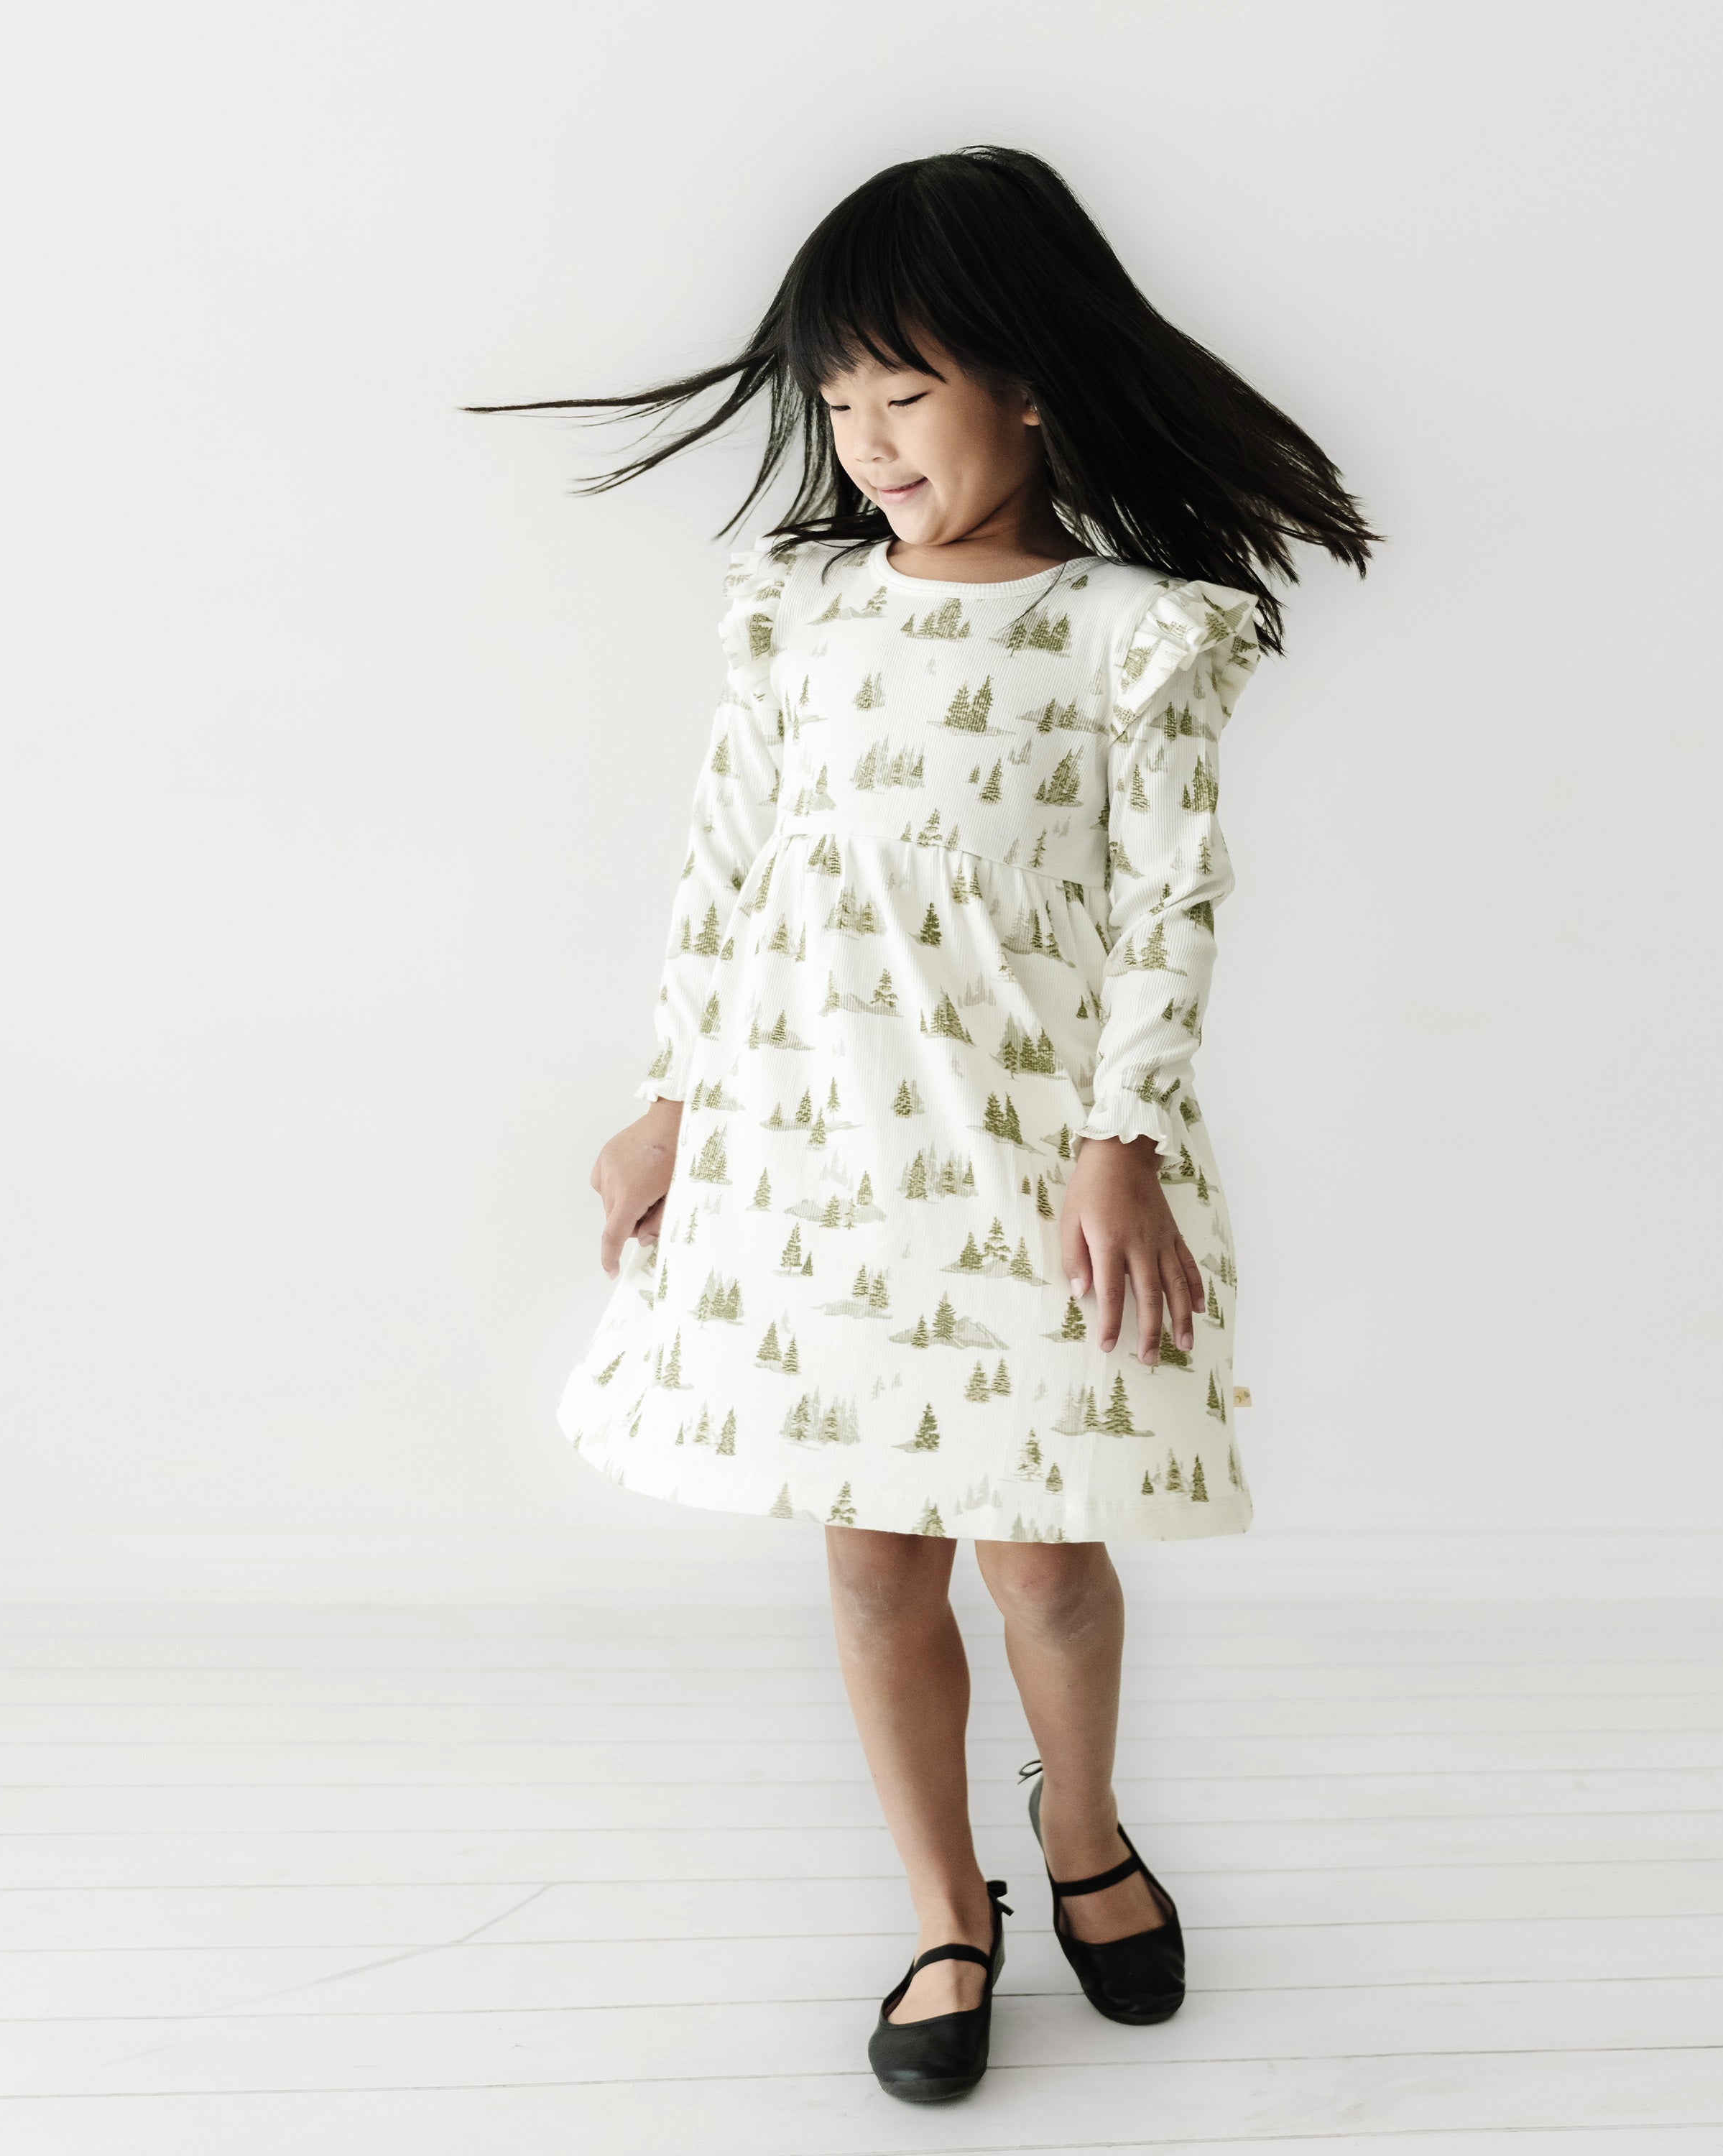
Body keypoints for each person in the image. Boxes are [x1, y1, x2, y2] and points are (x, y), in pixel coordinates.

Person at [468, 144, 1377, 2103]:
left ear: (1029, 381)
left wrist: (1124, 1141)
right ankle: (945, 1907)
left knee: (1044, 1555)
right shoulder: (794, 617)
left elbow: (1171, 903)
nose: (868, 441)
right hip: (817, 1155)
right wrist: (668, 1100)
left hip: (1032, 1160)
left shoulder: (1135, 630)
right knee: (877, 1561)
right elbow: (728, 875)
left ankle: (1083, 1833)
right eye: (840, 402)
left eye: (907, 392)